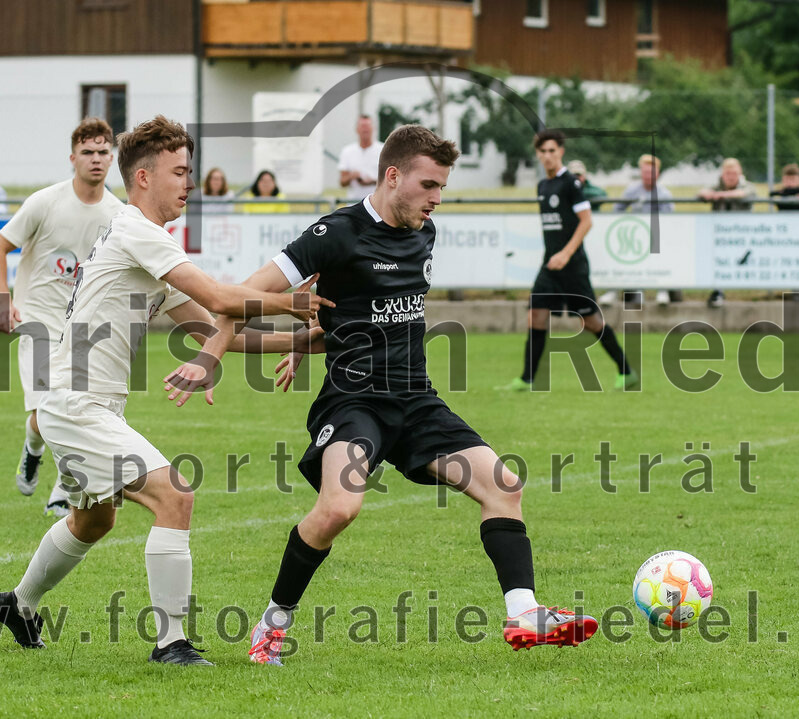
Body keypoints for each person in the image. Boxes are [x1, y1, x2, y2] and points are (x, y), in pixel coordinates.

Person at [164, 125, 599, 667]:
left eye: (442, 187)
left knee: (504, 486)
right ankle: (271, 626)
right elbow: (241, 297)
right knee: (339, 509)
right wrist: (212, 356)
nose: (436, 199)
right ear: (393, 176)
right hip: (354, 401)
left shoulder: (425, 231)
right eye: (428, 185)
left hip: (416, 399)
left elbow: (358, 305)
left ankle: (524, 612)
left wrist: (308, 335)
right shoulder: (335, 232)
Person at [0, 115, 333, 665]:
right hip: (76, 403)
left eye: (190, 171)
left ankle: (18, 605)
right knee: (175, 494)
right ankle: (171, 643)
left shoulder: (143, 242)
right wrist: (293, 300)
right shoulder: (136, 231)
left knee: (93, 520)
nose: (189, 182)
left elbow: (208, 328)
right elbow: (221, 299)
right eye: (179, 171)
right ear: (143, 177)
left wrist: (305, 339)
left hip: (77, 404)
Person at [0, 118, 123, 517]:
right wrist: (1, 298)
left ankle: (62, 491)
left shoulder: (118, 215)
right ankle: (33, 452)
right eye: (88, 152)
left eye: (102, 152)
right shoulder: (44, 202)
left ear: (112, 158)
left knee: (78, 410)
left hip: (84, 330)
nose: (96, 160)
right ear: (72, 157)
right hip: (37, 321)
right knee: (48, 408)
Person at [502, 130, 635, 392]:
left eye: (552, 151)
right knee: (536, 316)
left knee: (591, 322)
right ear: (538, 155)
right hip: (549, 266)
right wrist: (555, 256)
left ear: (561, 152)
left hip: (572, 267)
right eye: (543, 152)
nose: (548, 156)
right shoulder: (543, 186)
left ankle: (626, 371)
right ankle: (527, 379)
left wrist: (565, 253)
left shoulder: (571, 184)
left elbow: (586, 222)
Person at [603, 154, 679, 307]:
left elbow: (668, 220)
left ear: (657, 173)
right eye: (645, 172)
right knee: (621, 255)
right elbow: (617, 210)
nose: (648, 175)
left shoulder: (664, 194)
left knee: (661, 256)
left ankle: (662, 290)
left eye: (651, 172)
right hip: (635, 237)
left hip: (657, 238)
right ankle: (613, 290)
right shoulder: (631, 191)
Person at [698, 157, 757, 308]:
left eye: (734, 173)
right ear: (723, 174)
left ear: (740, 173)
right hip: (720, 236)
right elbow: (701, 192)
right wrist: (708, 193)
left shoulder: (747, 186)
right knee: (718, 262)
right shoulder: (717, 185)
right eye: (728, 174)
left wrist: (721, 195)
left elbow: (747, 193)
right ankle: (718, 292)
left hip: (742, 235)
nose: (731, 177)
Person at [337, 115, 383, 201]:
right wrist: (352, 176)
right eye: (362, 126)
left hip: (377, 204)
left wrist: (372, 181)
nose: (365, 129)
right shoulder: (347, 151)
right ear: (357, 129)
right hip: (353, 204)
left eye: (368, 126)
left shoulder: (383, 149)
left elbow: (391, 179)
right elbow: (342, 182)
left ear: (373, 128)